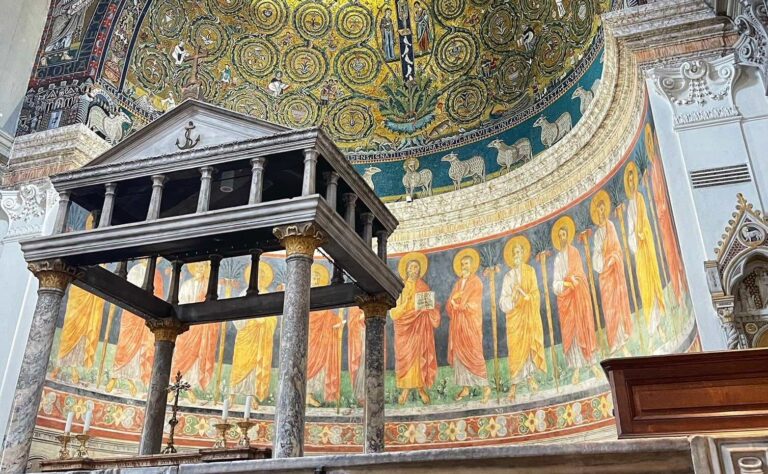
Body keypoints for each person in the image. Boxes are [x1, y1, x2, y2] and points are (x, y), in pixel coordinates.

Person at [552, 216, 600, 384]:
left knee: (583, 328)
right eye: (560, 235)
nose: (562, 238)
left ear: (569, 236)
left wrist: (575, 280)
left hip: (578, 298)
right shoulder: (558, 259)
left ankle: (592, 363)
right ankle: (577, 369)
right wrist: (566, 283)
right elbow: (555, 284)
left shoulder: (575, 253)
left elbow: (580, 274)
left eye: (564, 234)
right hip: (566, 301)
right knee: (571, 333)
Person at [107, 259, 165, 396]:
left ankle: (133, 380)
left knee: (141, 348)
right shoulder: (136, 269)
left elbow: (160, 297)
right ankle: (115, 376)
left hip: (146, 317)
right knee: (125, 345)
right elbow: (127, 292)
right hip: (131, 315)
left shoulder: (158, 275)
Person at [499, 236, 546, 401]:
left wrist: (528, 298)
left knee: (529, 346)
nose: (516, 255)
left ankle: (530, 378)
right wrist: (513, 297)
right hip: (515, 318)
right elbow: (502, 302)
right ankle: (513, 386)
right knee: (516, 351)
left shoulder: (530, 271)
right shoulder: (508, 277)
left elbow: (535, 293)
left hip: (528, 315)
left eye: (518, 252)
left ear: (523, 253)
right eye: (513, 253)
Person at [390, 252, 441, 405]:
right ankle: (405, 388)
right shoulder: (400, 287)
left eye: (417, 267)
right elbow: (394, 311)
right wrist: (406, 304)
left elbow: (431, 306)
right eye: (411, 267)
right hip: (405, 327)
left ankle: (420, 387)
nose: (414, 270)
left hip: (420, 327)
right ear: (406, 270)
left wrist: (430, 308)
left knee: (419, 356)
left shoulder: (423, 286)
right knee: (406, 357)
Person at [625, 163, 666, 339]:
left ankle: (660, 322)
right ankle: (651, 323)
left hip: (648, 247)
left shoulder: (641, 198)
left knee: (653, 278)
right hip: (639, 251)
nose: (633, 183)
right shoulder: (628, 208)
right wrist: (636, 237)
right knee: (644, 284)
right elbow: (630, 232)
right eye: (630, 181)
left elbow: (646, 223)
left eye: (634, 179)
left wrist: (644, 233)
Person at [591, 191, 633, 356]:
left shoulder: (611, 227)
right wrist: (602, 261)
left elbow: (617, 250)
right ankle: (614, 342)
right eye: (598, 211)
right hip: (604, 277)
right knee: (609, 309)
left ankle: (623, 341)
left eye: (603, 210)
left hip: (614, 273)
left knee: (618, 304)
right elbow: (596, 258)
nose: (601, 213)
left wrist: (612, 259)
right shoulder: (597, 235)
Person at [230, 261, 277, 404]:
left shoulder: (268, 294)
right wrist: (249, 321)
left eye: (263, 275)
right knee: (240, 362)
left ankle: (252, 395)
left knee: (257, 363)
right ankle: (233, 394)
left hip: (260, 336)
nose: (260, 278)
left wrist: (265, 321)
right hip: (245, 333)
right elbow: (236, 314)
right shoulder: (243, 293)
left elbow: (273, 318)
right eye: (258, 275)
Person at [446, 249, 490, 402]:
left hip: (470, 324)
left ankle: (486, 388)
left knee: (474, 353)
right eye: (462, 264)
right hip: (458, 325)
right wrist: (453, 302)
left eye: (467, 264)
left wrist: (459, 303)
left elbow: (473, 304)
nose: (464, 266)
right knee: (460, 355)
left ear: (472, 266)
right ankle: (465, 387)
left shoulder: (476, 282)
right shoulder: (458, 284)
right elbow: (449, 304)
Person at [172, 262, 219, 403]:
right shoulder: (187, 285)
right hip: (187, 327)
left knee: (196, 358)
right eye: (198, 267)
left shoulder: (210, 287)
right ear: (193, 269)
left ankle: (189, 389)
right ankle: (175, 386)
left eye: (203, 267)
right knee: (181, 356)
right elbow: (181, 304)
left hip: (201, 329)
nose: (200, 269)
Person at [306, 264, 344, 407]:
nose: (315, 280)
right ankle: (306, 395)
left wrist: (338, 321)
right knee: (308, 363)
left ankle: (312, 394)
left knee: (320, 365)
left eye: (317, 278)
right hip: (309, 337)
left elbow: (326, 314)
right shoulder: (302, 293)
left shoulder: (322, 296)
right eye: (313, 278)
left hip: (322, 338)